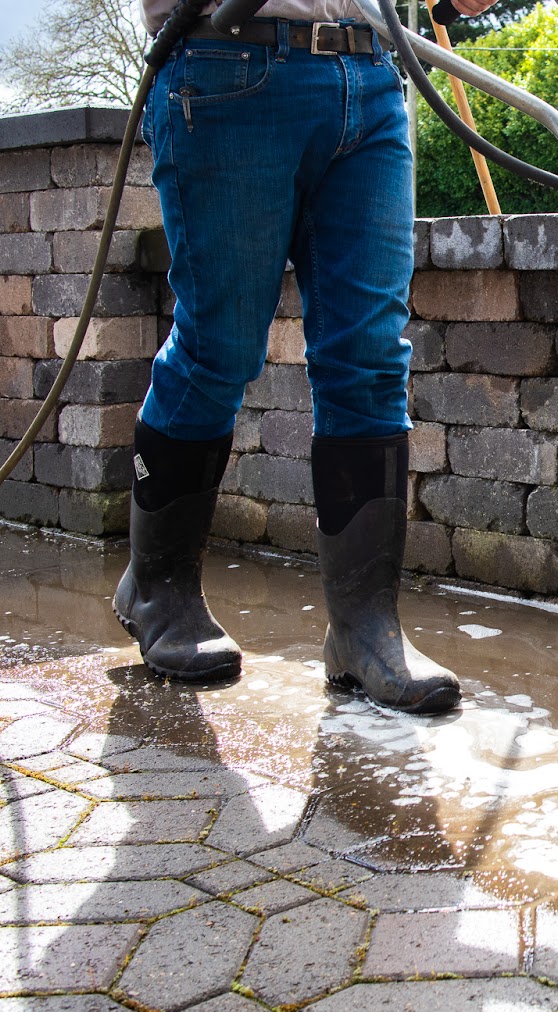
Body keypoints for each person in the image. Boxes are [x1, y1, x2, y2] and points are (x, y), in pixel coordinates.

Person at [116, 0, 495, 714]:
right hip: (227, 62)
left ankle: (363, 632)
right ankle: (156, 587)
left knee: (371, 358)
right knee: (218, 349)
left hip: (371, 71)